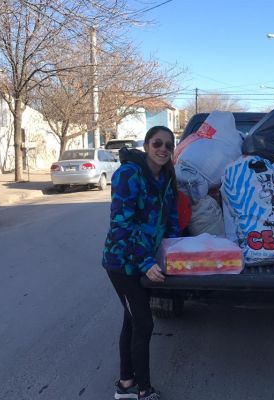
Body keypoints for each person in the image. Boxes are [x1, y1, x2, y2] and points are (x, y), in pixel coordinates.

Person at [102, 126, 180, 400]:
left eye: (168, 146)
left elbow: (170, 214)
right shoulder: (128, 175)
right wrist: (146, 261)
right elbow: (121, 225)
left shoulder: (166, 176)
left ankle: (125, 384)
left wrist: (176, 249)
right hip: (122, 262)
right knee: (143, 323)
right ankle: (143, 390)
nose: (163, 149)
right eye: (157, 143)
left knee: (132, 320)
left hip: (146, 259)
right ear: (146, 145)